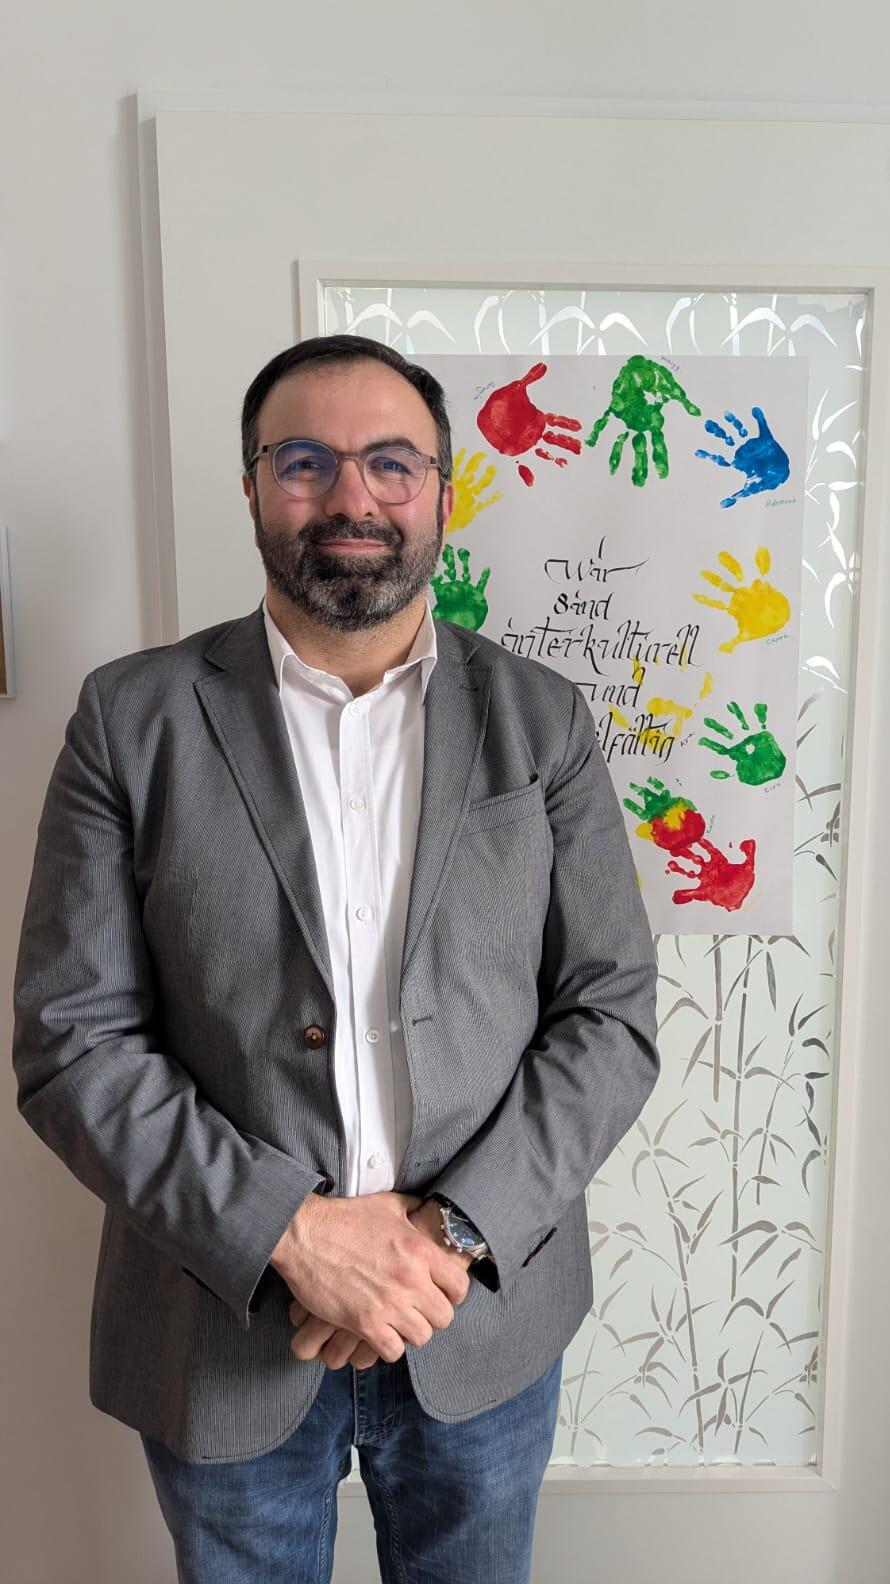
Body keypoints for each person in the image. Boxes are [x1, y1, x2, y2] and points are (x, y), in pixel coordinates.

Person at [11, 334, 661, 1584]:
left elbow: (611, 1015)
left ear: (443, 492)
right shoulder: (129, 719)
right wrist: (296, 1234)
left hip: (479, 1314)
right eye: (306, 461)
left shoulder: (543, 721)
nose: (352, 496)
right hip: (220, 1323)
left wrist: (441, 1235)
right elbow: (70, 1040)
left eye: (391, 462)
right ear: (253, 485)